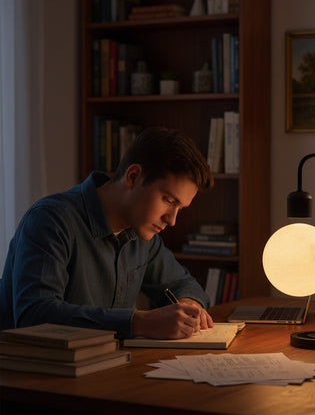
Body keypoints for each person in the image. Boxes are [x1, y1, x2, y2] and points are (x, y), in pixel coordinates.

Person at [0, 127, 215, 339]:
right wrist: (138, 323)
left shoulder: (142, 233)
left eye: (180, 208)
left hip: (103, 366)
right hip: (31, 371)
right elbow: (34, 316)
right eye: (169, 200)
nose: (172, 220)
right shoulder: (50, 220)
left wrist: (189, 305)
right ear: (133, 176)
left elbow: (185, 284)